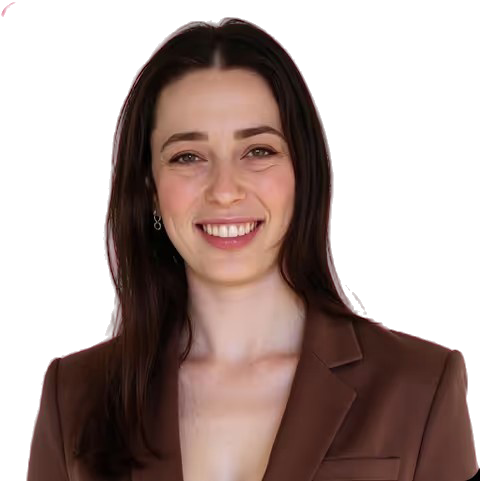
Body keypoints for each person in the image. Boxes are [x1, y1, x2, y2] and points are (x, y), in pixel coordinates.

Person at [27, 18, 478, 481]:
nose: (225, 191)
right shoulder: (73, 396)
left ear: (302, 172)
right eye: (188, 156)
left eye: (258, 151)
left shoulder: (420, 385)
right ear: (151, 190)